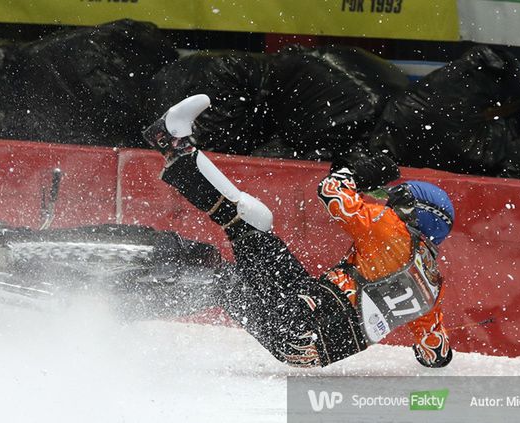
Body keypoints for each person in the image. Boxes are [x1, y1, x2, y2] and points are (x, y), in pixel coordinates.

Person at [142, 94, 455, 368]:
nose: (386, 201)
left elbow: (331, 191)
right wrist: (441, 354)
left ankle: (171, 144)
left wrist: (361, 172)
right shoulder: (431, 284)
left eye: (396, 200)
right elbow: (434, 352)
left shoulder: (391, 231)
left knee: (239, 247)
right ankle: (177, 150)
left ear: (413, 214)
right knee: (237, 253)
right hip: (303, 333)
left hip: (297, 319)